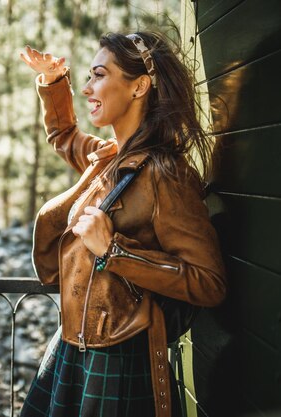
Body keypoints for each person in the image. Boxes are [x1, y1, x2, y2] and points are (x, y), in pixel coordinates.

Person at [18, 31, 226, 417]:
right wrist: (51, 80)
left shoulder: (166, 175)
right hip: (70, 347)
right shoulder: (108, 157)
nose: (86, 88)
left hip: (121, 359)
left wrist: (114, 251)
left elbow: (208, 282)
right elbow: (64, 136)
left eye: (98, 75)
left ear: (139, 86)